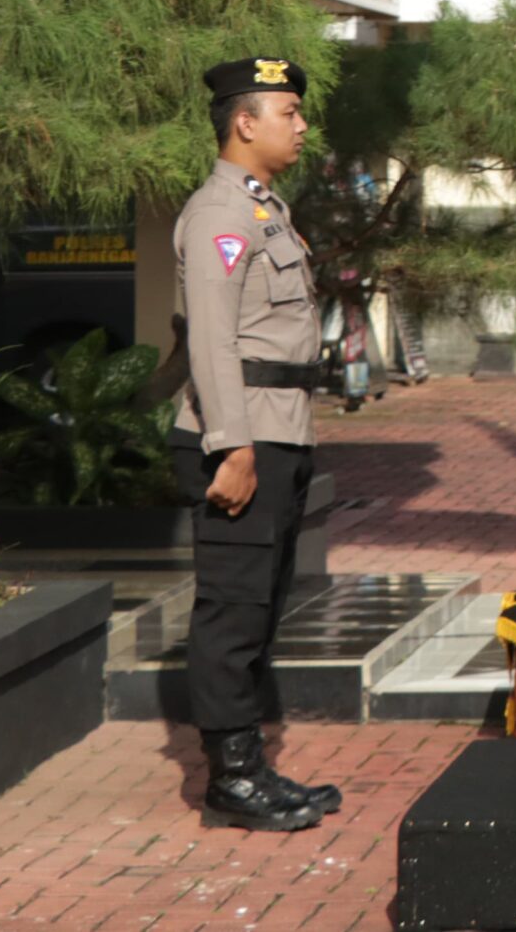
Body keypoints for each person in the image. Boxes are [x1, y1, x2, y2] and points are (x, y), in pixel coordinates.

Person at [169, 57, 340, 831]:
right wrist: (230, 444)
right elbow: (211, 339)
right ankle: (230, 777)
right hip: (242, 434)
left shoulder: (265, 209)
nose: (301, 125)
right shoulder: (219, 215)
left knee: (261, 604)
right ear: (245, 122)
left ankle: (250, 766)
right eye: (289, 111)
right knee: (233, 608)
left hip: (280, 428)